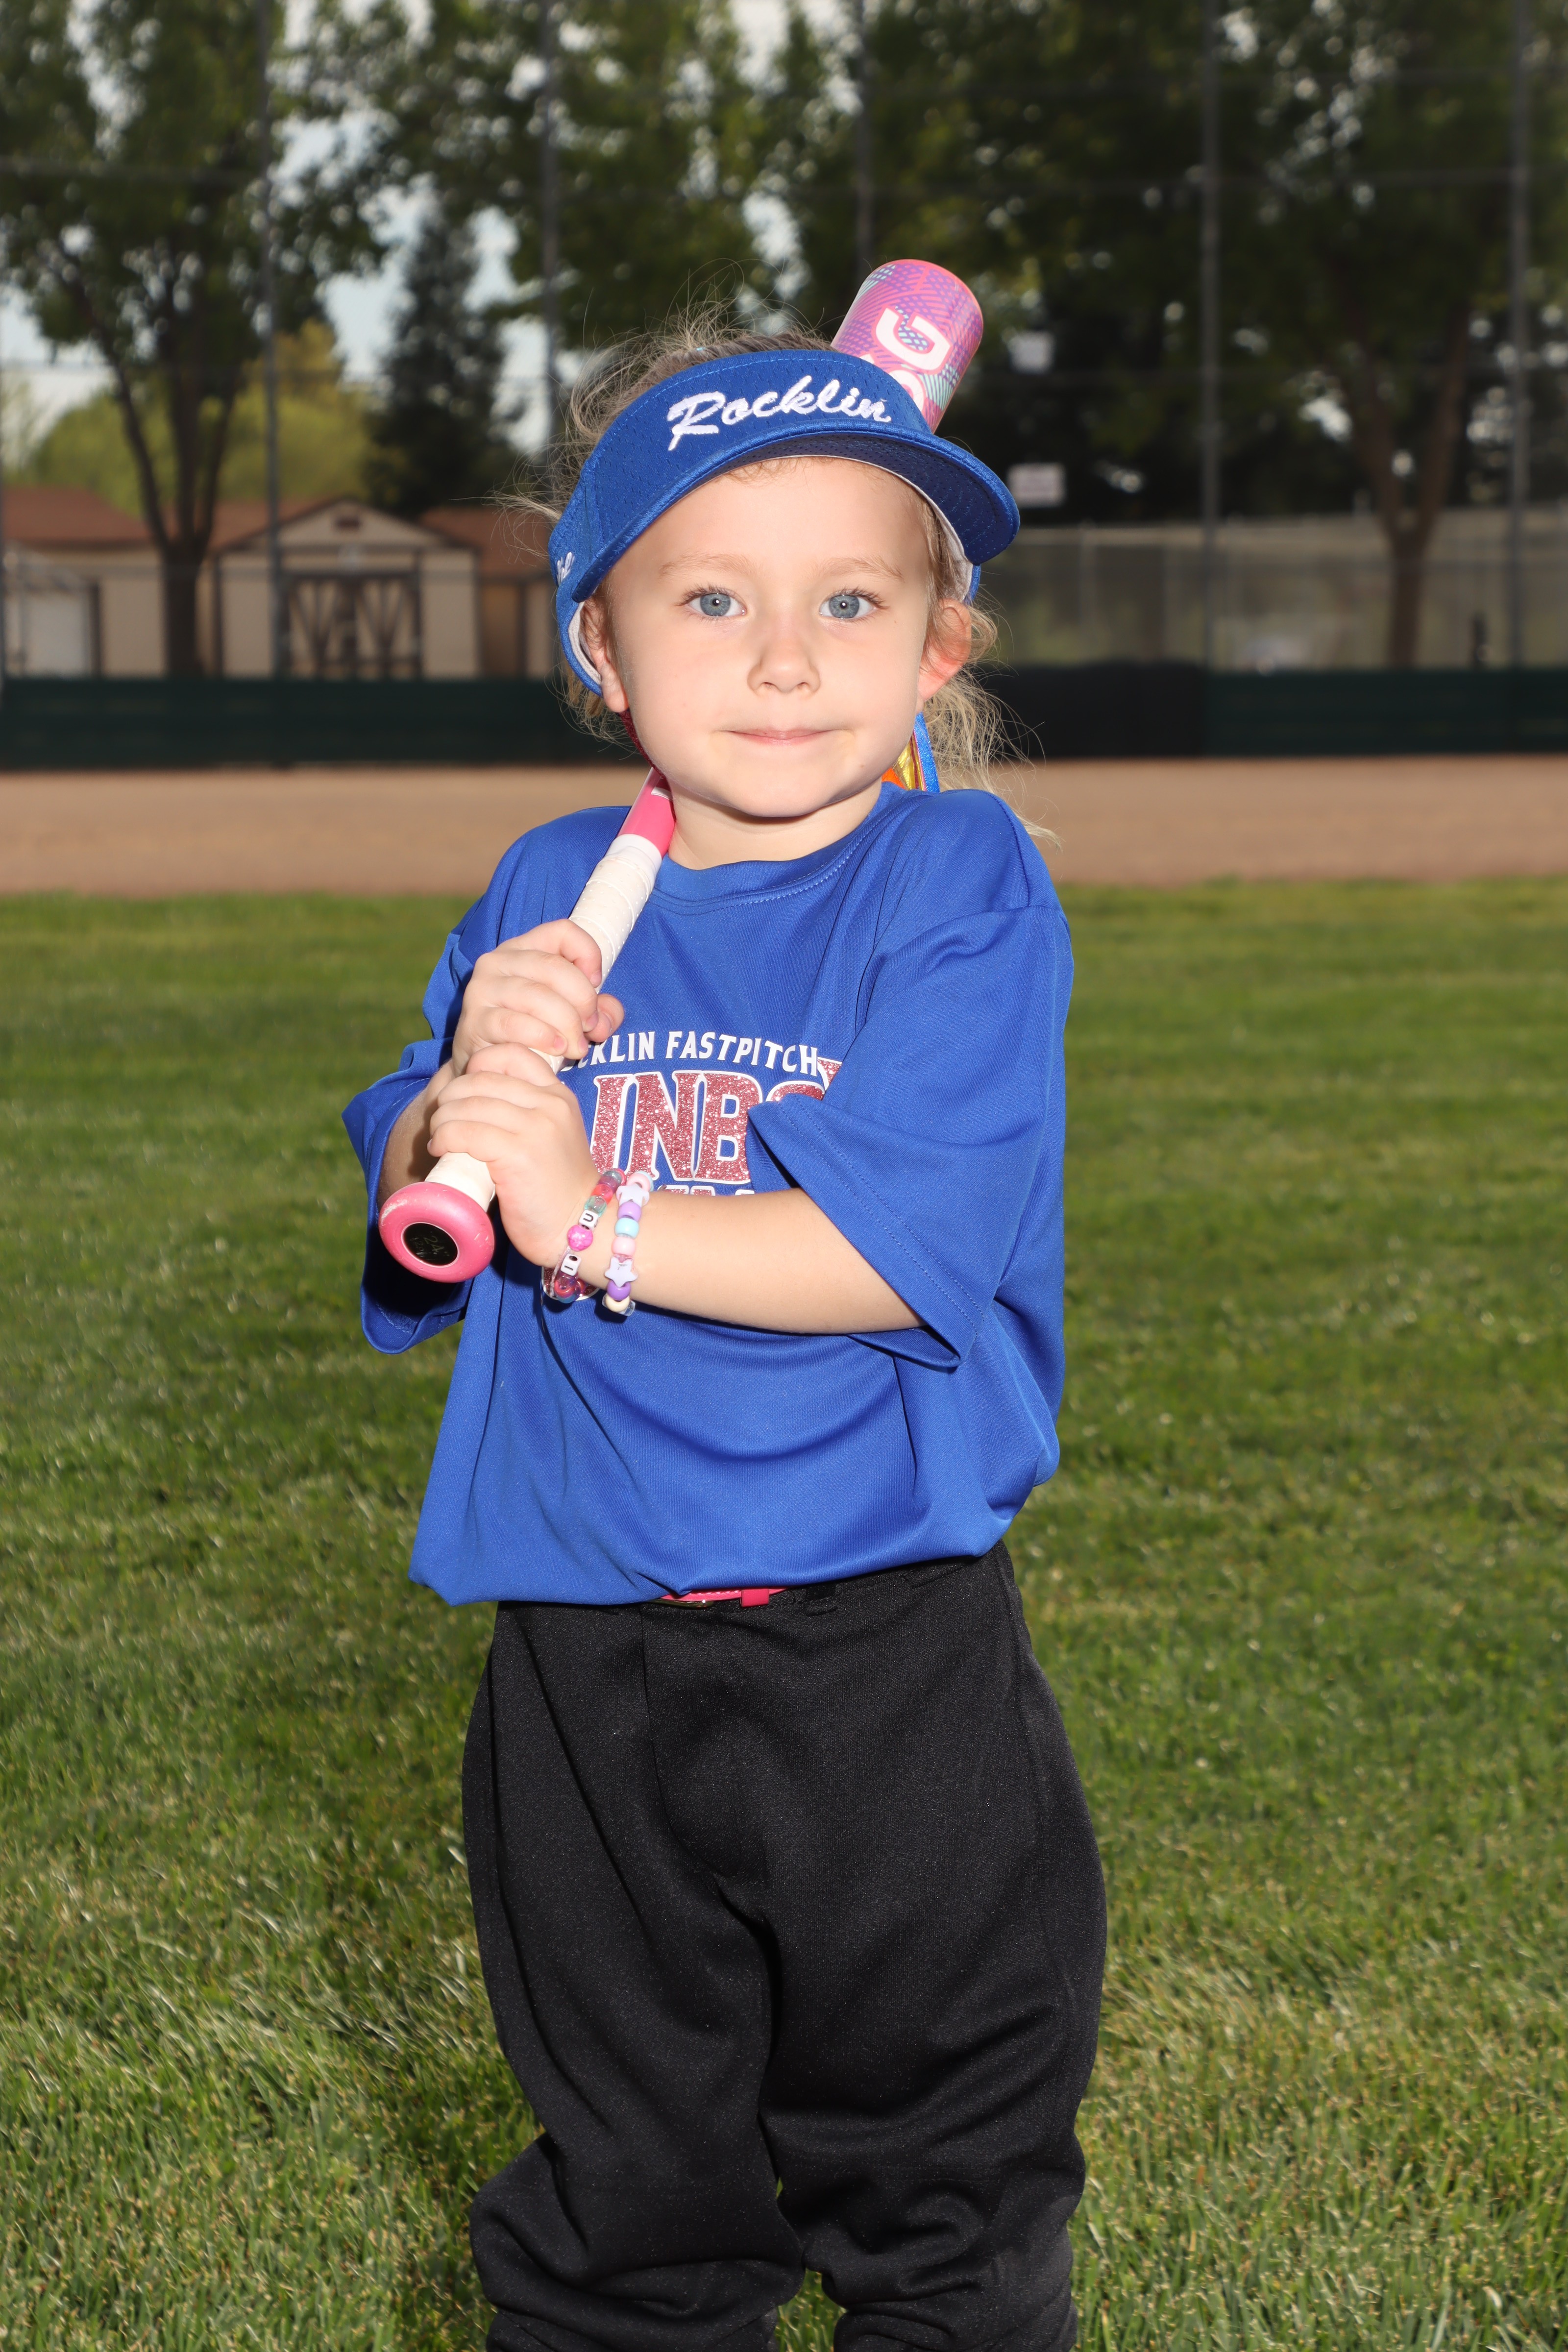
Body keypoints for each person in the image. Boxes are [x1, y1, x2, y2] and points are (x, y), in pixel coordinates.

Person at [343, 312, 1106, 2352]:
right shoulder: (550, 881)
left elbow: (888, 1251)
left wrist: (583, 1211)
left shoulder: (953, 882)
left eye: (849, 600)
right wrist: (459, 1097)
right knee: (628, 2188)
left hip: (883, 1655)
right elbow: (419, 1206)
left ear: (936, 650)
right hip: (584, 1651)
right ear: (599, 650)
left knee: (938, 2179)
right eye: (710, 599)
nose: (783, 659)